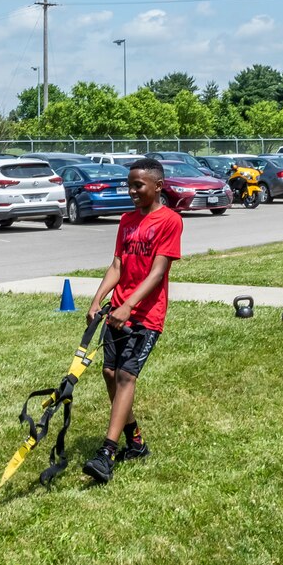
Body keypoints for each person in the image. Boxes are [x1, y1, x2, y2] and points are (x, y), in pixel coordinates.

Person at [83, 157, 183, 484]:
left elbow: (158, 272)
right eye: (130, 185)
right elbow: (117, 265)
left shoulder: (169, 221)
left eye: (138, 185)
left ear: (158, 186)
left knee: (127, 375)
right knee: (110, 373)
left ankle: (107, 452)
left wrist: (130, 306)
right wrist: (99, 299)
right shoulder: (126, 220)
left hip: (146, 315)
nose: (132, 191)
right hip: (117, 311)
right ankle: (136, 442)